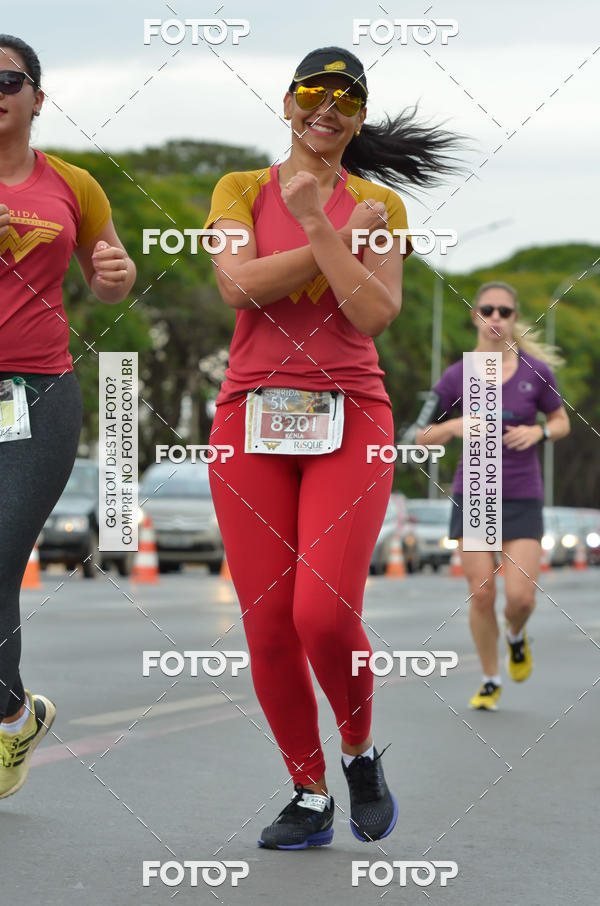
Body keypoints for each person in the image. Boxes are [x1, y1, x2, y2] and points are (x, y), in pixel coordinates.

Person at [203, 46, 462, 848]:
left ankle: (357, 755)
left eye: (349, 98)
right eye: (315, 90)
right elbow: (237, 286)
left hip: (351, 418)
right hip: (250, 416)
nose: (330, 106)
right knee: (268, 624)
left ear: (358, 118)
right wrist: (330, 237)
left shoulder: (379, 204)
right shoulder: (239, 190)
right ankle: (309, 793)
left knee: (321, 612)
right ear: (286, 103)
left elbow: (373, 314)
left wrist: (321, 222)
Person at [0, 36, 136, 797]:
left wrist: (117, 273)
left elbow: (110, 277)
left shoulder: (73, 185)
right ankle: (14, 714)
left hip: (38, 397)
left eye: (7, 77)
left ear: (37, 98)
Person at [413, 281, 570, 710]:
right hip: (476, 493)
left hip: (522, 495)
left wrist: (538, 430)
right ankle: (489, 679)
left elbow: (561, 422)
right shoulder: (458, 375)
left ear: (515, 317)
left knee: (520, 597)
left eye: (505, 311)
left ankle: (516, 635)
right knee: (482, 593)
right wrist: (453, 427)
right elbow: (420, 436)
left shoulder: (535, 372)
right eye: (488, 309)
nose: (496, 317)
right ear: (476, 316)